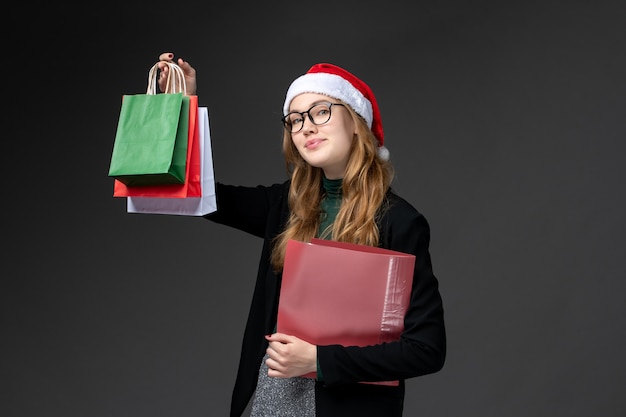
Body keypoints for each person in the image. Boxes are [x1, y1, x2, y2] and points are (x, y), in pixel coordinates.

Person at [156, 52, 446, 417]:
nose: (306, 127)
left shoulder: (399, 222)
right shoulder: (286, 205)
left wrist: (320, 360)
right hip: (273, 402)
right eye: (294, 120)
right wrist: (180, 105)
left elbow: (426, 349)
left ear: (356, 121)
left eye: (320, 111)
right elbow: (200, 196)